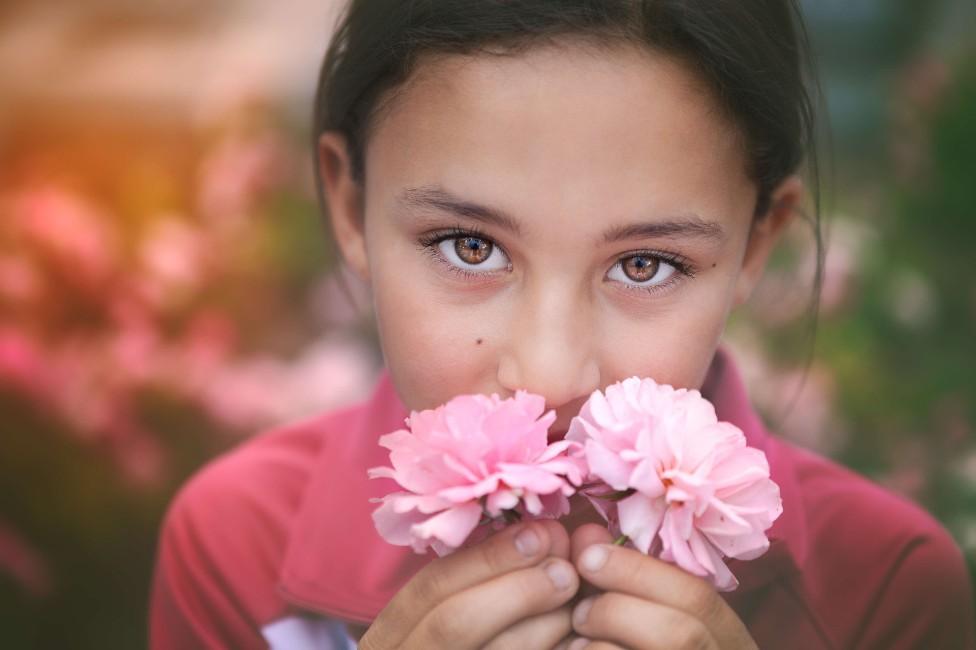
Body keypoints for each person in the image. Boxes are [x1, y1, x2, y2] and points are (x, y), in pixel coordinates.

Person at [148, 1, 976, 648]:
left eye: (645, 264)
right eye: (469, 246)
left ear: (758, 242)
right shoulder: (239, 549)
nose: (547, 376)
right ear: (350, 204)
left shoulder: (887, 589)